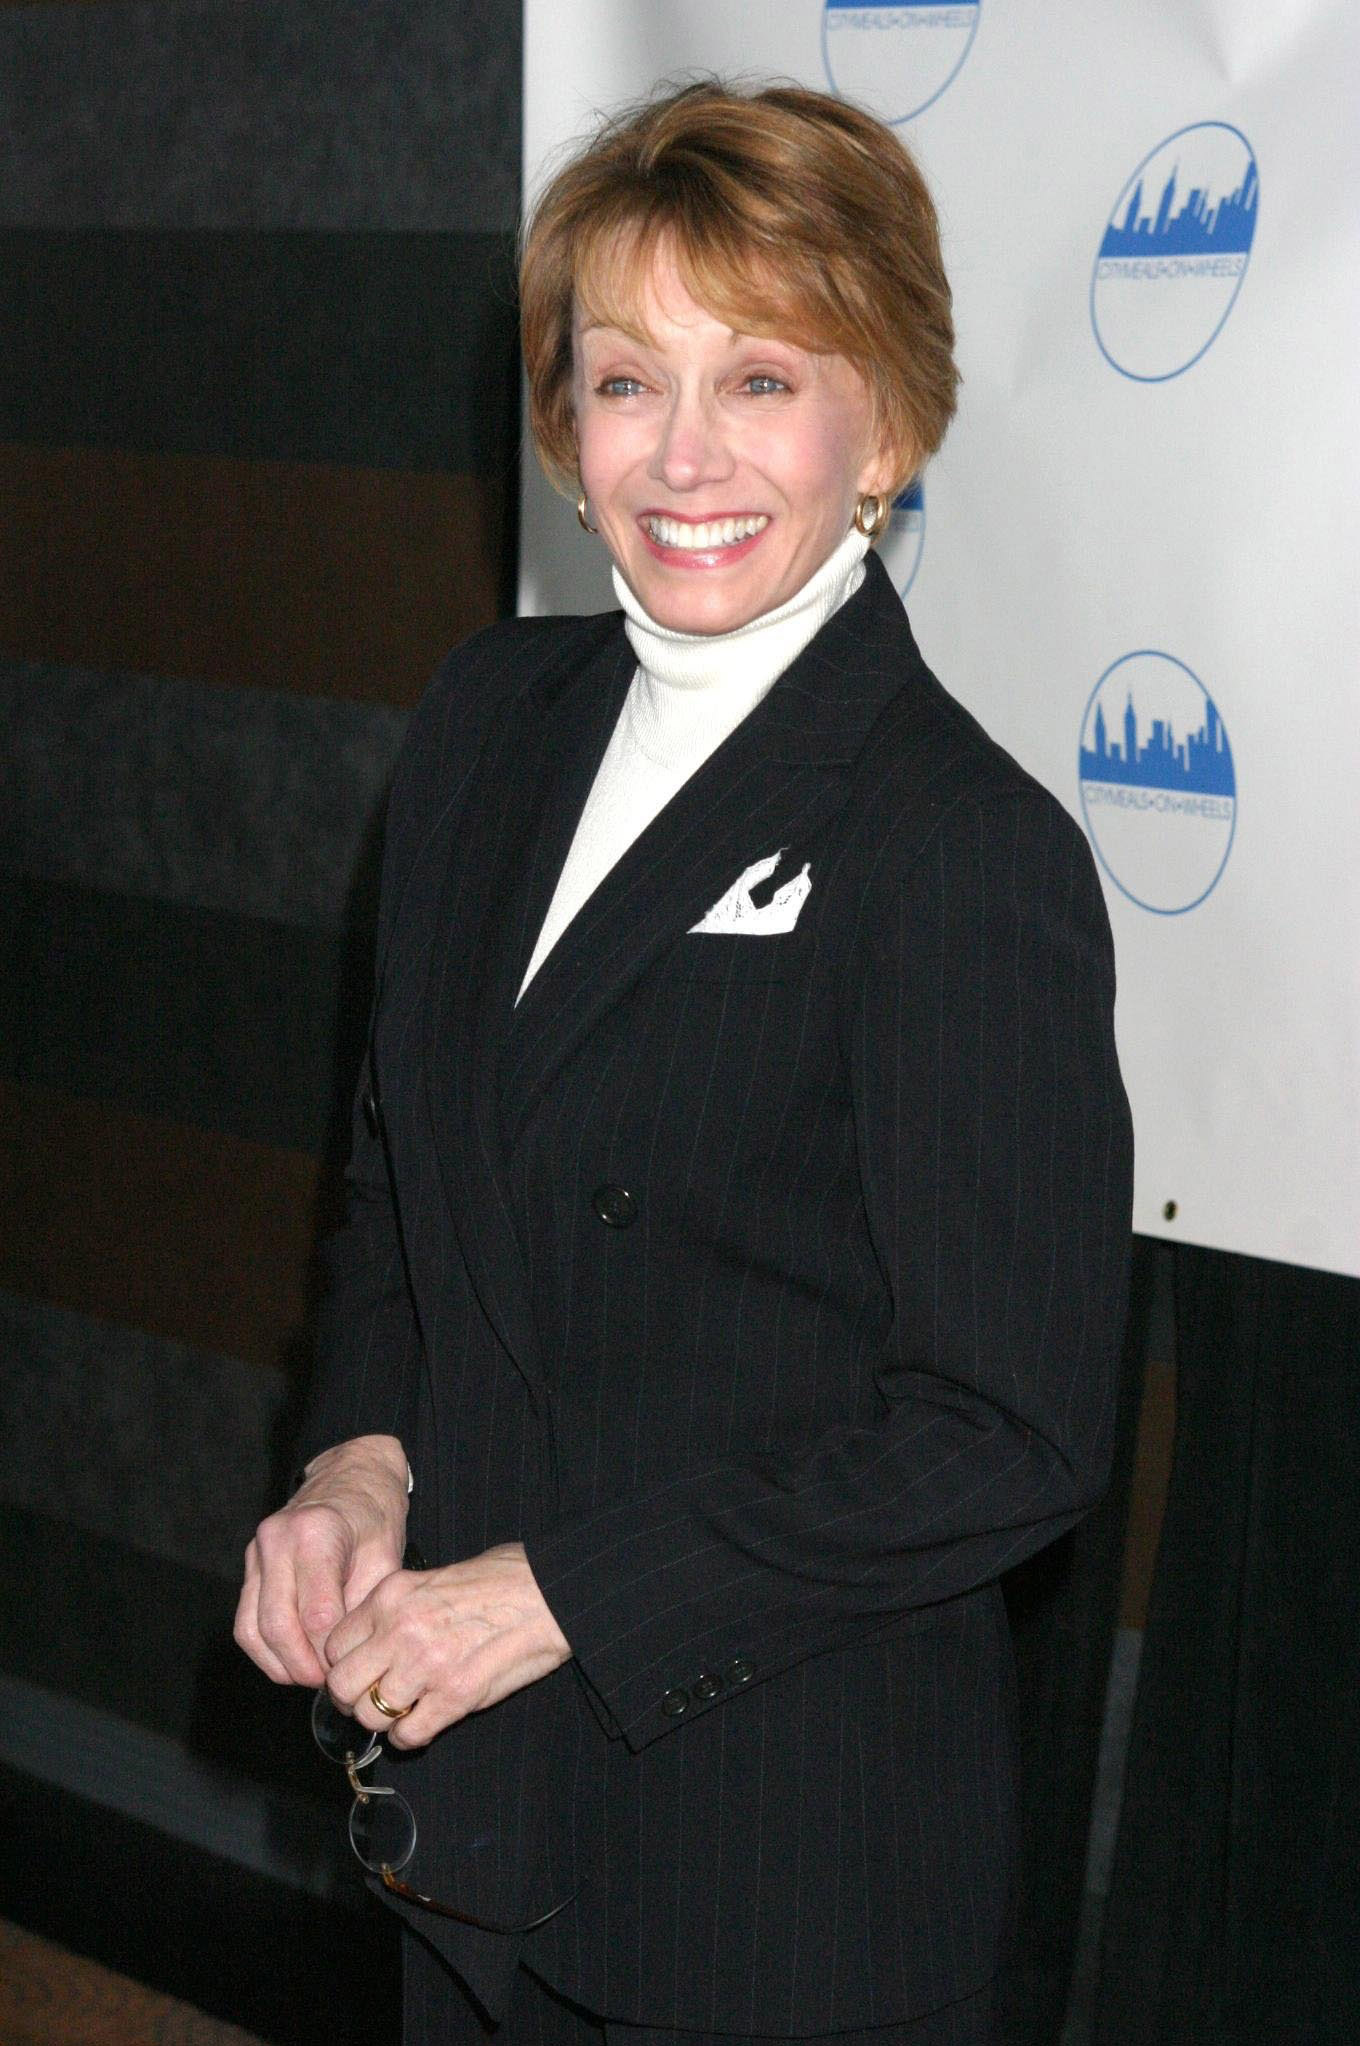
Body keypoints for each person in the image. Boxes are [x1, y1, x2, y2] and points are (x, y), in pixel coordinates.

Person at [235, 79, 1133, 2046]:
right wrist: (357, 1456)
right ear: (564, 429)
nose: (684, 454)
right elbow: (400, 1188)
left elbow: (1012, 1427)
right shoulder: (486, 720)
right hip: (476, 1818)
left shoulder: (956, 844)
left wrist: (554, 1593)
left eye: (760, 378)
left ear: (882, 422)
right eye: (626, 380)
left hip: (777, 1864)